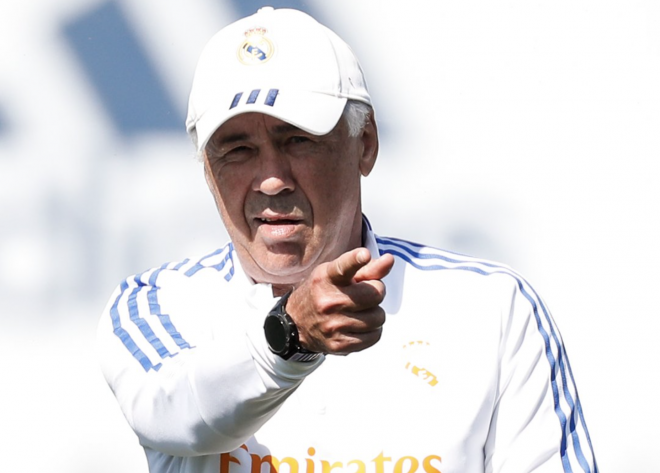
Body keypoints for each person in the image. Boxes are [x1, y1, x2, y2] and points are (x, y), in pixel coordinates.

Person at [98, 7, 598, 473]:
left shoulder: (492, 307)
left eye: (298, 139)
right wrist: (290, 336)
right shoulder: (156, 304)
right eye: (238, 150)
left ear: (366, 145)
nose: (271, 179)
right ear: (207, 171)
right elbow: (171, 409)